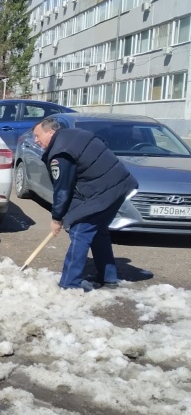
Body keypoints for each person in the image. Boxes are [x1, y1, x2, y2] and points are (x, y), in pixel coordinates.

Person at [33, 117, 138, 291]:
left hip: (103, 191)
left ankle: (69, 284)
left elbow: (63, 189)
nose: (36, 141)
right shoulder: (75, 135)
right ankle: (109, 277)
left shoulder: (61, 152)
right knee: (98, 232)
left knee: (80, 232)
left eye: (38, 136)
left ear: (50, 132)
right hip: (120, 185)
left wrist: (57, 218)